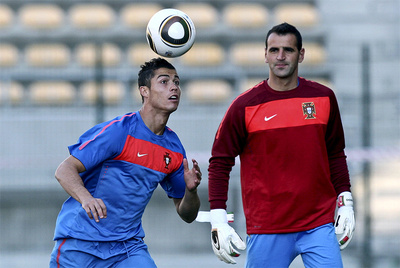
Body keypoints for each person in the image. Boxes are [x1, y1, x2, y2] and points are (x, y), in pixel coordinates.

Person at [205, 23, 355, 267]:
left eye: (288, 50)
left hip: (318, 223)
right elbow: (220, 163)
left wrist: (345, 200)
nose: (281, 57)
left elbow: (336, 154)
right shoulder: (244, 106)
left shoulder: (324, 98)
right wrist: (218, 219)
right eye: (274, 50)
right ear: (265, 55)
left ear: (302, 54)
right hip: (267, 227)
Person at [50, 57, 202, 268]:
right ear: (144, 91)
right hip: (80, 242)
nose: (174, 87)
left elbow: (187, 214)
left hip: (127, 248)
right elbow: (64, 169)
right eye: (164, 81)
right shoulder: (119, 131)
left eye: (177, 82)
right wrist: (86, 199)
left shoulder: (174, 149)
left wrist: (191, 191)